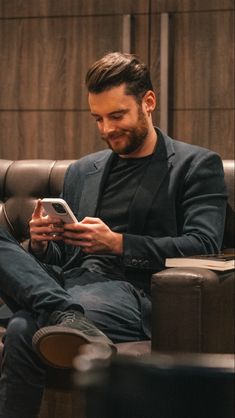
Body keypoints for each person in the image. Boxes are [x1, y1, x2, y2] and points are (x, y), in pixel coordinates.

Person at [0, 51, 227, 418]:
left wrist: (118, 243)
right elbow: (65, 254)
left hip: (130, 291)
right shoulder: (82, 169)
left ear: (148, 102)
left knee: (25, 325)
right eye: (98, 119)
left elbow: (203, 245)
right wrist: (42, 242)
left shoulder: (196, 165)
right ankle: (61, 310)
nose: (106, 129)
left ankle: (57, 310)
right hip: (67, 283)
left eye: (117, 116)